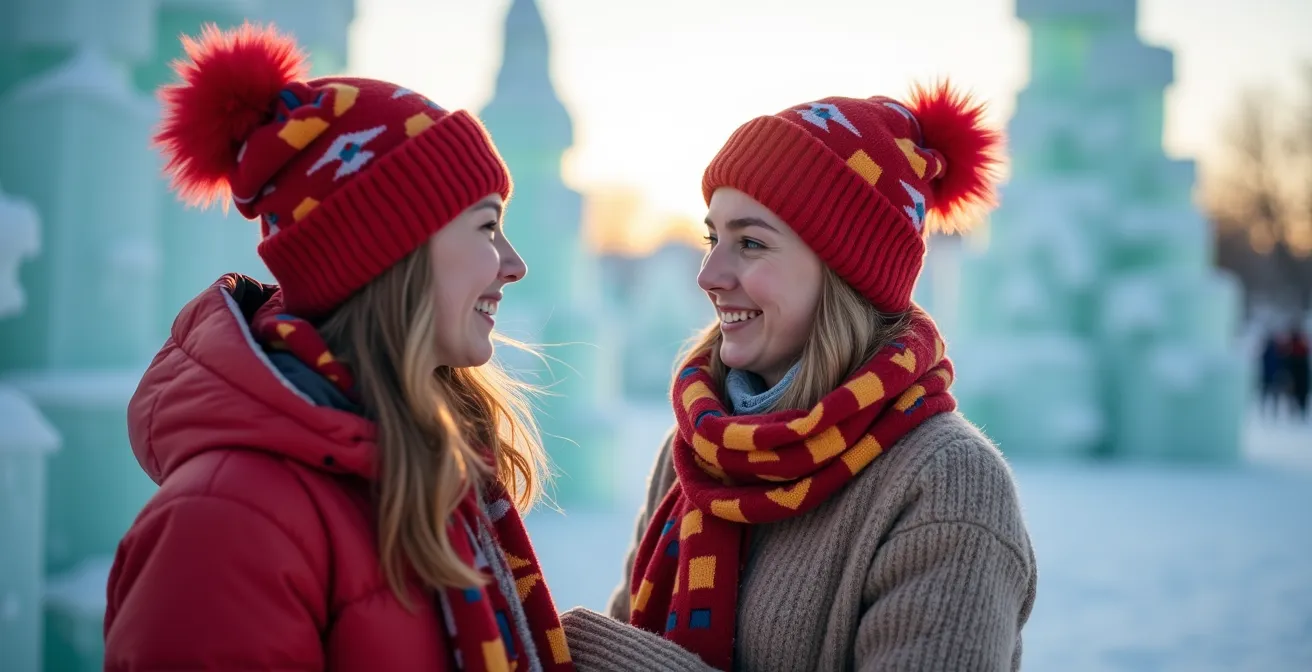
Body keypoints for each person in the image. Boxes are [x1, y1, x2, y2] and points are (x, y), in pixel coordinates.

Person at [104, 23, 574, 672]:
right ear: (390, 252)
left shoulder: (429, 474)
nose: (513, 264)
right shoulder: (225, 524)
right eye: (487, 226)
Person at [560, 83, 1037, 671]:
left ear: (845, 272)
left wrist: (621, 661)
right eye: (714, 237)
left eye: (751, 243)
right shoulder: (701, 451)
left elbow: (629, 656)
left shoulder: (948, 485)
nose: (709, 273)